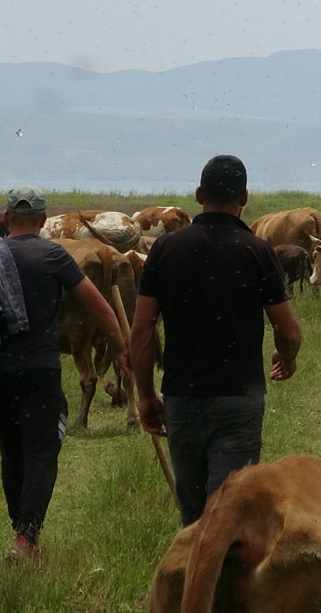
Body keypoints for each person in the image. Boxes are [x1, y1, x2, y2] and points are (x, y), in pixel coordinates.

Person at [0, 185, 127, 564]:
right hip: (39, 371)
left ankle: (23, 534)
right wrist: (122, 349)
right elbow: (98, 306)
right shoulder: (53, 254)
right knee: (43, 449)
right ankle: (26, 536)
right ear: (44, 220)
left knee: (11, 452)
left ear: (5, 218)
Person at [128, 155, 303, 526]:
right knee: (228, 517)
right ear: (244, 197)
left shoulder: (164, 249)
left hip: (182, 398)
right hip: (239, 399)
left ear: (198, 194)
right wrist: (286, 357)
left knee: (193, 521)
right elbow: (288, 332)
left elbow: (142, 330)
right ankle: (221, 583)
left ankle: (193, 579)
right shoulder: (257, 251)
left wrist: (145, 394)